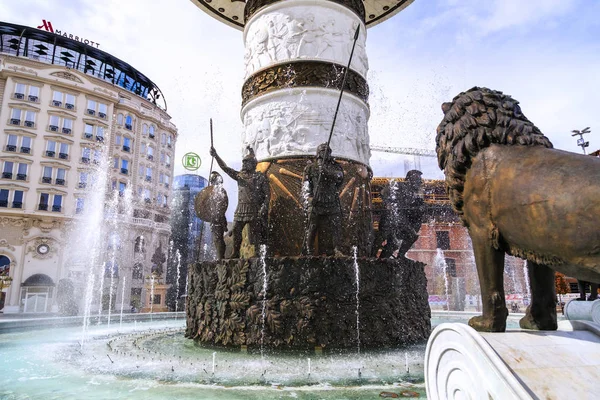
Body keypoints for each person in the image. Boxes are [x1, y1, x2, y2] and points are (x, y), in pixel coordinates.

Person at [210, 146, 270, 258]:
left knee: (256, 233)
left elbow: (267, 195)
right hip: (241, 209)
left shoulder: (260, 177)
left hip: (254, 209)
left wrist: (264, 207)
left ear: (253, 164)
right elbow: (225, 168)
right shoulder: (240, 176)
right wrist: (216, 155)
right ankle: (235, 252)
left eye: (246, 163)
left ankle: (258, 254)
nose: (243, 165)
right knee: (236, 232)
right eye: (243, 163)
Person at [303, 143, 344, 256]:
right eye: (323, 151)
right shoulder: (310, 168)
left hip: (331, 200)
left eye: (328, 151)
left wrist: (327, 172)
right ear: (318, 153)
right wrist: (309, 198)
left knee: (336, 226)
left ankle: (337, 249)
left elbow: (340, 177)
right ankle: (309, 250)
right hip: (316, 201)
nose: (325, 153)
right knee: (312, 226)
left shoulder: (335, 166)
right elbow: (306, 185)